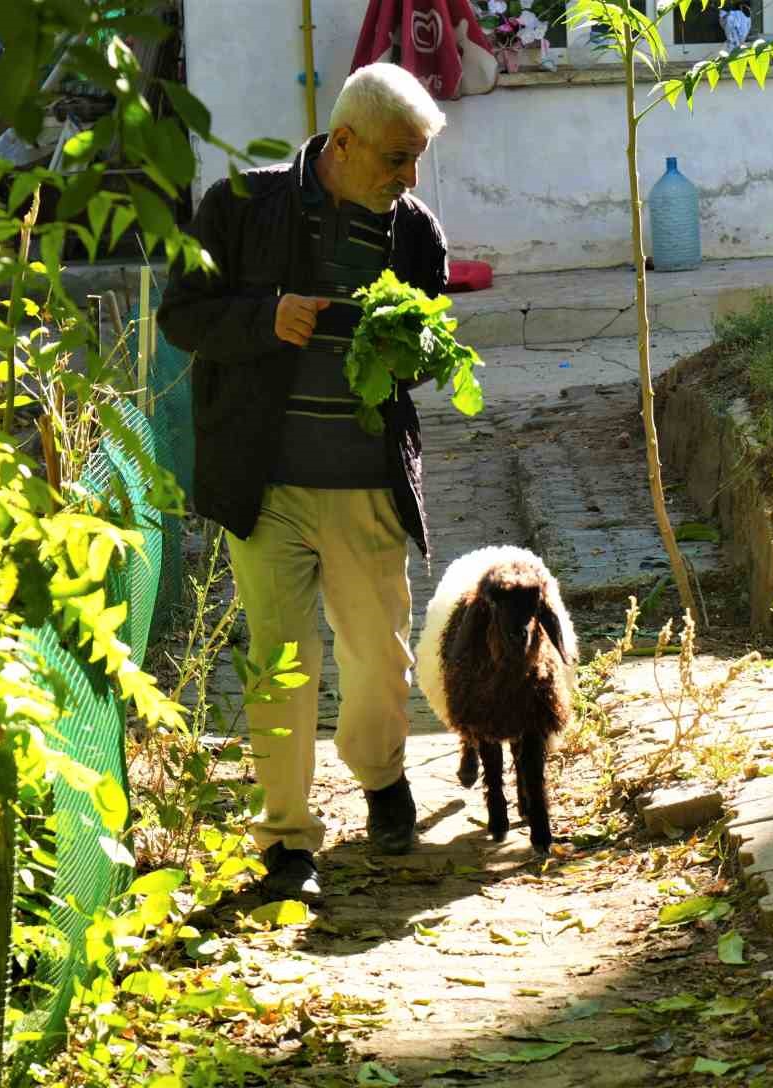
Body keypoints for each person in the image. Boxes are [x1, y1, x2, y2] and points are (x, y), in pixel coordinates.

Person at [157, 64, 450, 903]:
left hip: (364, 487)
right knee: (279, 664)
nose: (409, 178)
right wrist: (264, 318)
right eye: (398, 158)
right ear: (346, 143)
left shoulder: (413, 230)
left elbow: (425, 351)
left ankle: (381, 779)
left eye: (418, 159)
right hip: (267, 487)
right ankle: (287, 842)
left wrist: (413, 348)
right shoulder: (243, 208)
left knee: (376, 660)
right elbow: (183, 316)